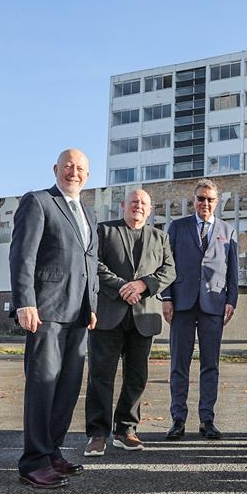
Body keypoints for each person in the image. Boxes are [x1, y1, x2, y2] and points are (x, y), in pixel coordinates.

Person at [9, 148, 98, 489]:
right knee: (43, 386)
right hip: (46, 311)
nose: (73, 172)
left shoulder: (86, 213)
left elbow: (89, 264)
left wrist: (92, 306)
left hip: (78, 316)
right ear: (55, 169)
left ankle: (52, 452)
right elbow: (23, 255)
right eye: (67, 166)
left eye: (80, 169)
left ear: (87, 176)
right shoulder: (38, 201)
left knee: (67, 388)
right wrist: (25, 302)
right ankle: (33, 461)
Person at [83, 189, 176, 457]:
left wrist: (143, 285)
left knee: (137, 377)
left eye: (143, 203)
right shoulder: (104, 231)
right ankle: (97, 434)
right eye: (133, 202)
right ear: (123, 205)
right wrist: (123, 286)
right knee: (101, 376)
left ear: (150, 210)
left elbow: (169, 270)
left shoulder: (160, 237)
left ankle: (125, 430)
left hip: (143, 316)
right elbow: (94, 264)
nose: (138, 206)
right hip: (109, 315)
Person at [162, 179, 238, 440]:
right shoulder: (178, 227)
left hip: (213, 305)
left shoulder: (227, 230)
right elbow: (167, 264)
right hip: (182, 304)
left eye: (210, 199)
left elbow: (232, 271)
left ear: (217, 202)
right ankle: (178, 419)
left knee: (210, 365)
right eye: (201, 198)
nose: (205, 203)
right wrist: (166, 297)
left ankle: (207, 419)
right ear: (193, 200)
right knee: (179, 365)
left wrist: (232, 300)